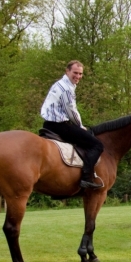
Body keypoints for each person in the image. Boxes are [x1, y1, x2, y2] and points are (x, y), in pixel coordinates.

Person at [40, 60, 104, 189]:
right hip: (59, 125)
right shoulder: (66, 88)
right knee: (97, 145)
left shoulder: (61, 84)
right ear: (67, 71)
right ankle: (86, 177)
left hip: (50, 124)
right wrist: (80, 126)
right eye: (75, 73)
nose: (78, 76)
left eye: (80, 74)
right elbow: (72, 112)